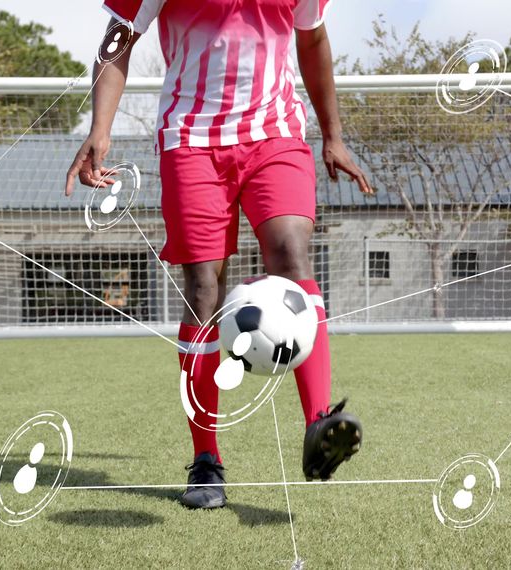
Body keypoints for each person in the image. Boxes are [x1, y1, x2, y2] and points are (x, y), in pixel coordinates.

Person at [65, 0, 373, 509]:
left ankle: (320, 424)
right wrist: (100, 129)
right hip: (191, 142)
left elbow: (313, 38)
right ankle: (206, 460)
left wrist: (334, 134)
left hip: (275, 134)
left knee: (292, 259)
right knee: (203, 290)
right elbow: (117, 38)